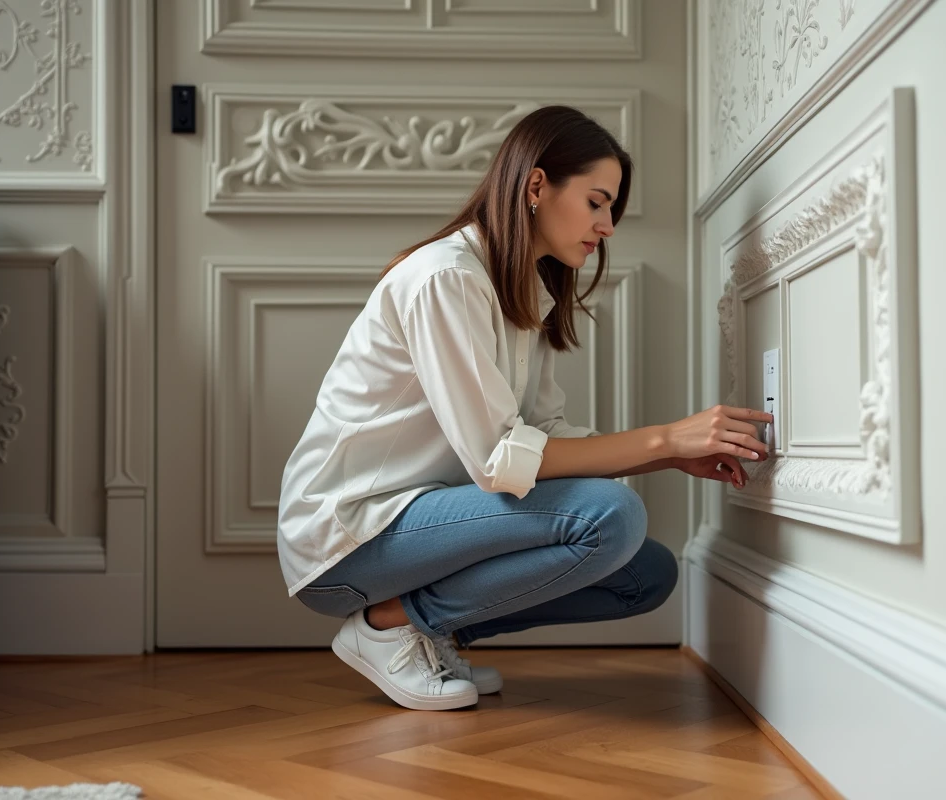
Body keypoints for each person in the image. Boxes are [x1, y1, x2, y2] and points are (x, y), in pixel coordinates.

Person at [277, 105, 772, 711]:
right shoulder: (445, 277)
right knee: (610, 517)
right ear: (537, 186)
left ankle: (424, 628)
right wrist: (667, 439)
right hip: (349, 534)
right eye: (596, 201)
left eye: (611, 207)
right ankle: (390, 625)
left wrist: (668, 458)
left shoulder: (523, 288)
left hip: (425, 522)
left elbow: (542, 434)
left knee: (646, 574)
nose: (608, 225)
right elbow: (495, 461)